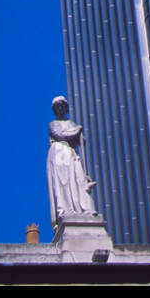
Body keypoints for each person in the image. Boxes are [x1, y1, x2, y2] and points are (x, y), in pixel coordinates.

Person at [47, 96, 96, 226]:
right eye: (58, 107)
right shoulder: (53, 124)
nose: (60, 108)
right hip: (59, 153)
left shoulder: (72, 124)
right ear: (55, 110)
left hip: (71, 154)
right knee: (63, 182)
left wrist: (79, 134)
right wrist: (77, 130)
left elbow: (82, 141)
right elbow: (60, 135)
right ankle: (65, 210)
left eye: (62, 106)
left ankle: (84, 209)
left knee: (78, 180)